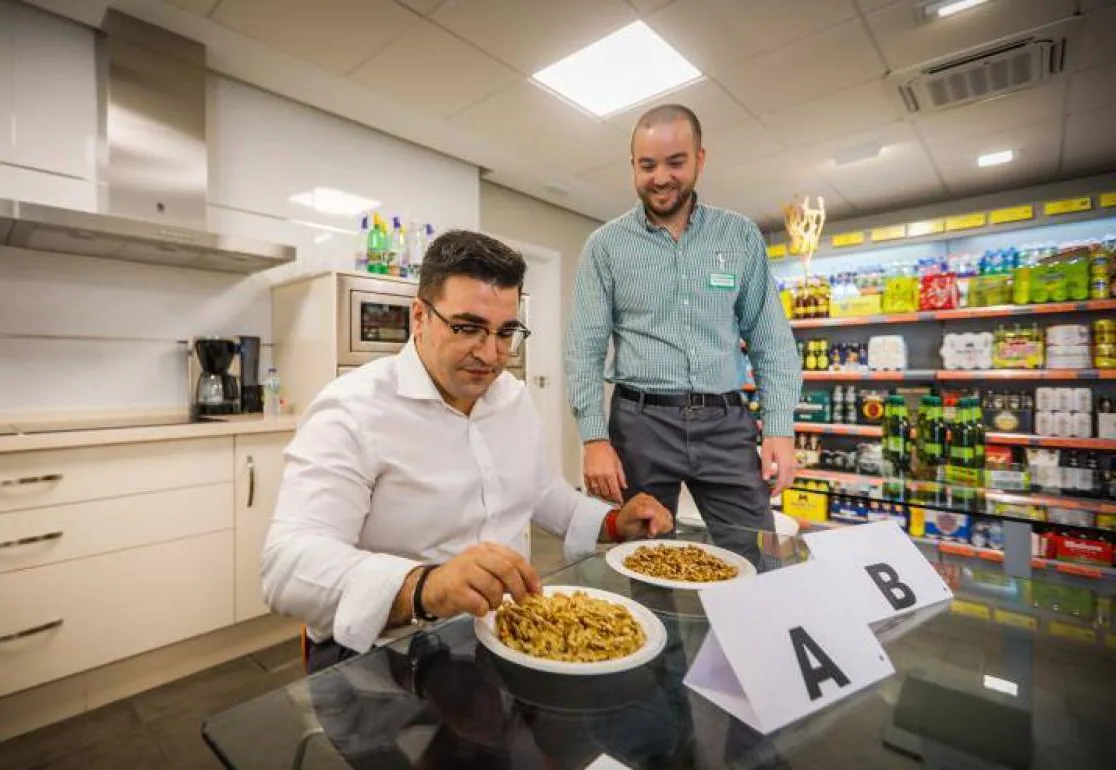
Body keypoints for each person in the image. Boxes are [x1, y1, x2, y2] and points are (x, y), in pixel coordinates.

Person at [263, 229, 672, 672]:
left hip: (504, 636)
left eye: (505, 333)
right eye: (468, 328)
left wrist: (613, 521)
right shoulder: (353, 410)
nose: (491, 354)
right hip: (390, 654)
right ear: (419, 317)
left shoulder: (512, 399)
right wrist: (424, 586)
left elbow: (539, 492)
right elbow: (286, 565)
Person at [565, 104, 802, 563]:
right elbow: (584, 347)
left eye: (675, 162)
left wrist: (780, 426)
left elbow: (770, 338)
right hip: (640, 425)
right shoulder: (605, 246)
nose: (660, 177)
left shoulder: (739, 237)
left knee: (757, 557)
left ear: (700, 159)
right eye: (647, 165)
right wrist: (594, 439)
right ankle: (663, 639)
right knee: (644, 564)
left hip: (725, 424)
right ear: (633, 165)